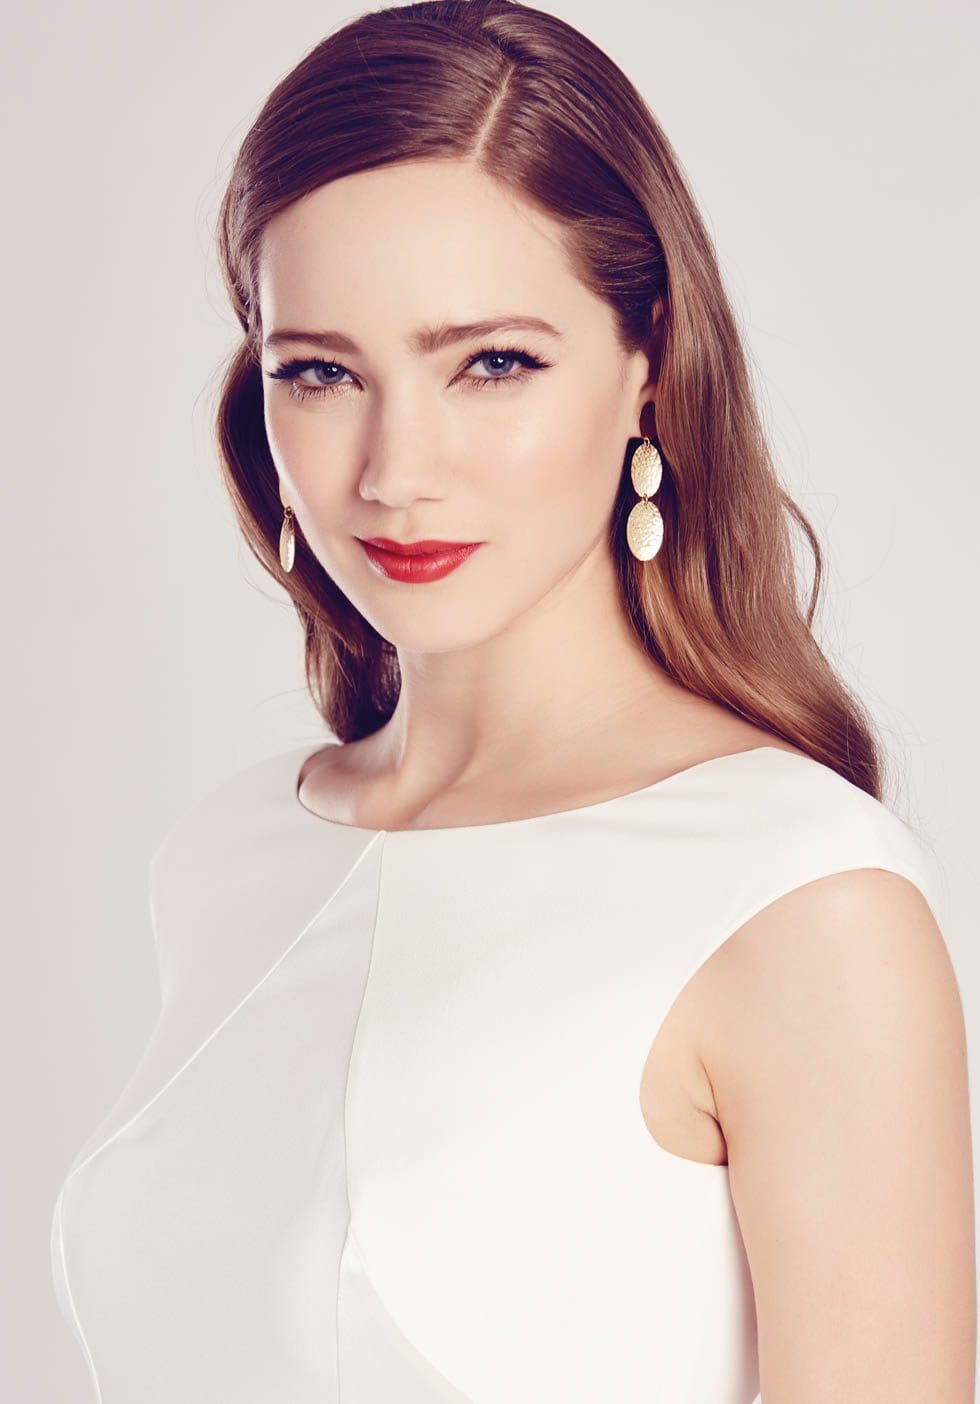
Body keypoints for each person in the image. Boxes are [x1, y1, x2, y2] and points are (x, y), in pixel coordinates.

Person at [50, 2, 975, 1400]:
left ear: (648, 362)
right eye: (322, 372)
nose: (395, 471)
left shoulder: (798, 900)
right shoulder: (233, 852)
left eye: (492, 363)